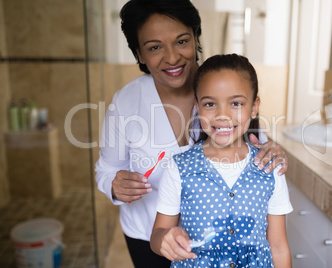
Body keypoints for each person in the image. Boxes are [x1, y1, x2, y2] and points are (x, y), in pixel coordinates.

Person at [95, 0, 289, 267]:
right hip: (148, 234)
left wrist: (272, 152)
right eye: (154, 47)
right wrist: (114, 186)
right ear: (139, 53)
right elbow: (106, 169)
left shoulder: (222, 84)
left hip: (221, 243)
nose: (172, 57)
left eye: (182, 41)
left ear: (196, 38)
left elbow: (254, 147)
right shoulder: (126, 102)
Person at [150, 54, 293, 268]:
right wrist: (165, 239)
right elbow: (157, 236)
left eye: (235, 103)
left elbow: (279, 246)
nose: (222, 115)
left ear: (254, 107)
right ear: (197, 107)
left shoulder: (270, 168)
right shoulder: (178, 168)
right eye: (210, 104)